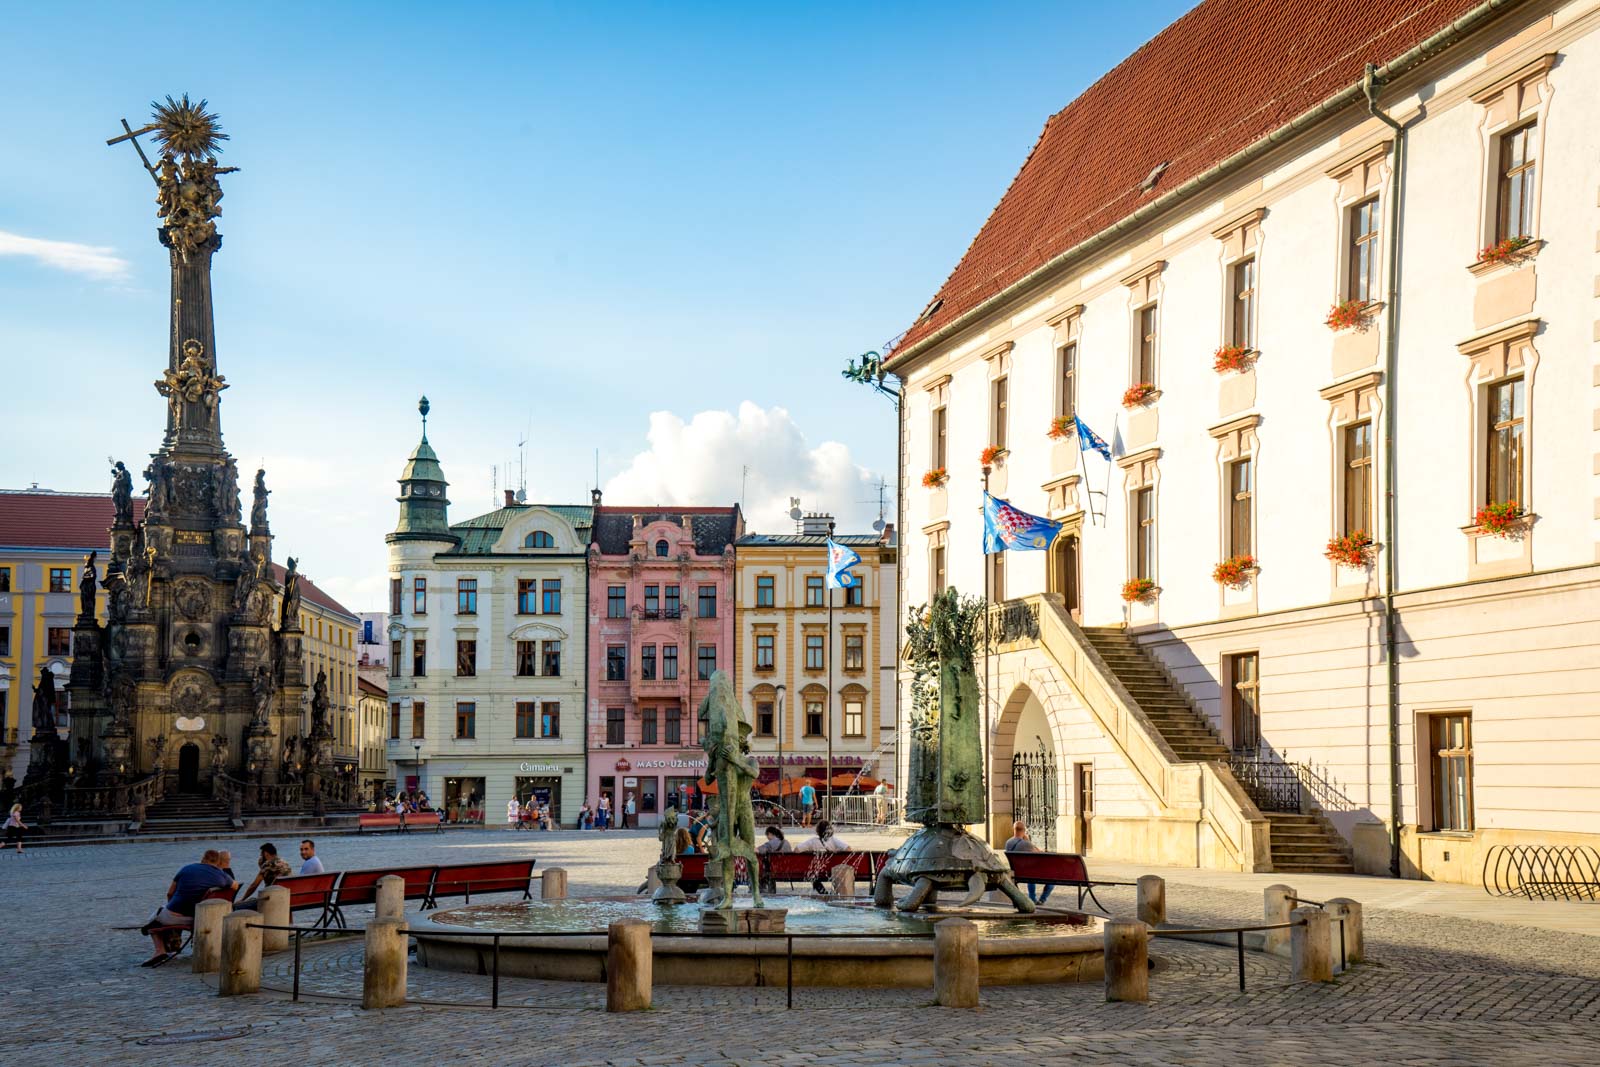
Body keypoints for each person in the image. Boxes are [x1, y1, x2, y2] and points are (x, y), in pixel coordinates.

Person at [139, 849, 236, 965]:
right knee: (162, 914)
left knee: (154, 917)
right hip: (201, 917)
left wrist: (172, 906)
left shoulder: (187, 869)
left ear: (203, 858)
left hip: (176, 916)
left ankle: (160, 951)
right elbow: (234, 886)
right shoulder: (221, 876)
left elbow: (170, 893)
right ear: (218, 862)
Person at [794, 820, 849, 894]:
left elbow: (796, 850)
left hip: (817, 871)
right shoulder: (833, 840)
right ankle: (834, 894)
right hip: (833, 871)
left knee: (813, 877)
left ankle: (823, 893)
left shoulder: (812, 841)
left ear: (817, 830)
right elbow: (848, 849)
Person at [1003, 820, 1052, 905]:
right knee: (1051, 881)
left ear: (1013, 829)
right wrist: (1028, 841)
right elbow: (1039, 853)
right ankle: (1041, 899)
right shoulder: (1026, 844)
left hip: (1016, 872)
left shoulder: (1008, 842)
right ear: (1024, 830)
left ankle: (1033, 899)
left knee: (1030, 874)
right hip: (1029, 873)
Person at [236, 842, 293, 908]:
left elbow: (254, 886)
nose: (260, 858)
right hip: (286, 898)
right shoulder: (285, 863)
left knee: (238, 906)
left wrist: (242, 899)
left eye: (261, 855)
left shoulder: (267, 865)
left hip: (272, 899)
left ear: (266, 854)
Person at [756, 825, 790, 894]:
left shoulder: (770, 844)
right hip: (788, 869)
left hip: (774, 870)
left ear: (770, 834)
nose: (767, 838)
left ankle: (761, 891)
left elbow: (758, 850)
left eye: (767, 835)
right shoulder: (786, 842)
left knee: (763, 872)